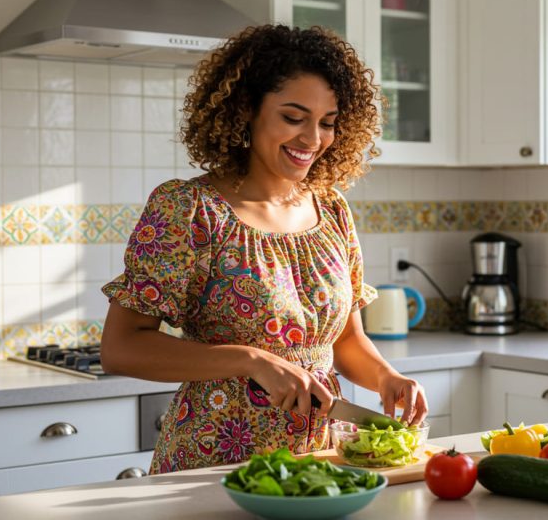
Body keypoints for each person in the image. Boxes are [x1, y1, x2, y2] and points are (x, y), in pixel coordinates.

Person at [100, 24, 429, 473]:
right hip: (214, 461)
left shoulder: (331, 210)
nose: (313, 139)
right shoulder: (190, 208)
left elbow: (347, 340)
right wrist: (249, 359)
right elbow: (121, 348)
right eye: (293, 118)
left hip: (318, 462)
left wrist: (387, 378)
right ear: (246, 111)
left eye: (328, 123)